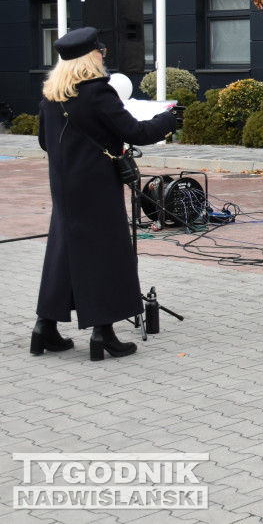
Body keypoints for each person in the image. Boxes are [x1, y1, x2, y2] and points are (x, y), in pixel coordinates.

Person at [32, 27, 177, 361]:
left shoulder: (52, 94)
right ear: (90, 58)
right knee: (107, 255)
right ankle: (103, 334)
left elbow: (44, 142)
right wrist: (168, 119)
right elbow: (136, 132)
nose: (103, 55)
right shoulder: (97, 92)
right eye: (99, 51)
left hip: (64, 185)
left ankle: (45, 328)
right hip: (96, 186)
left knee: (63, 253)